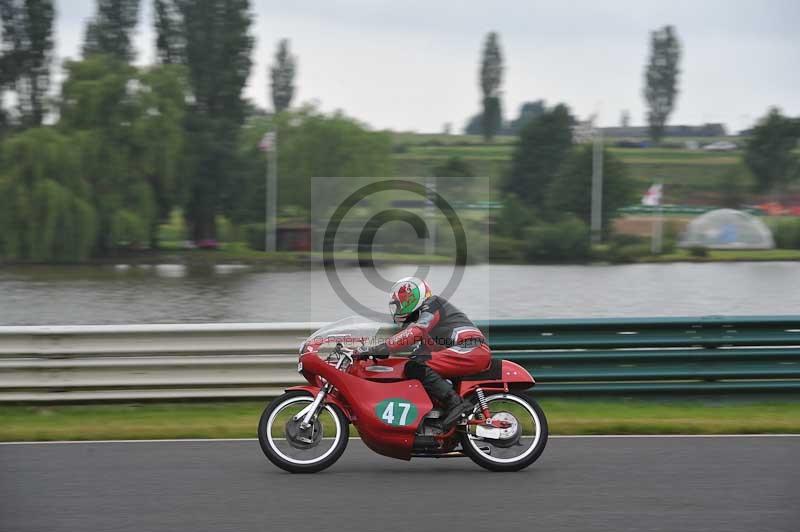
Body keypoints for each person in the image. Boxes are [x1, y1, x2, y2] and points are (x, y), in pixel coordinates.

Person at [358, 276, 491, 428]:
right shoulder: (429, 322)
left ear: (410, 298)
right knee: (413, 364)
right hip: (466, 350)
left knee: (415, 365)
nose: (398, 309)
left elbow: (416, 332)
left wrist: (381, 348)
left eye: (399, 304)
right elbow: (417, 348)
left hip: (471, 348)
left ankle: (456, 404)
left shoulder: (433, 304)